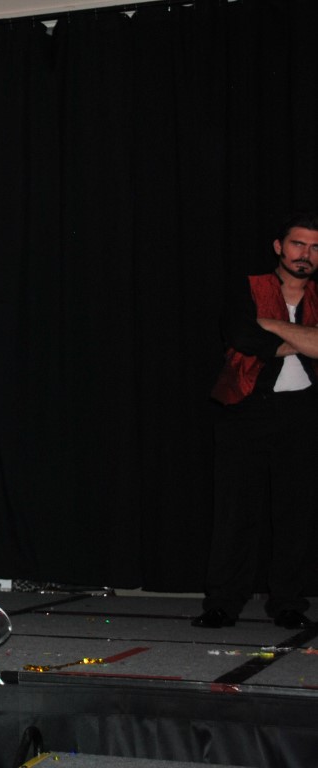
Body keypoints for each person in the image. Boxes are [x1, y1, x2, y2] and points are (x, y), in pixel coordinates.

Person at [194, 212, 318, 630]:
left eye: (315, 247)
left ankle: (288, 603)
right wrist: (302, 339)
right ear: (279, 247)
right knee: (235, 511)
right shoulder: (248, 287)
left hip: (303, 412)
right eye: (298, 244)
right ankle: (223, 603)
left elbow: (265, 336)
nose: (306, 254)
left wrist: (271, 327)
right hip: (245, 409)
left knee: (295, 511)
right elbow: (241, 335)